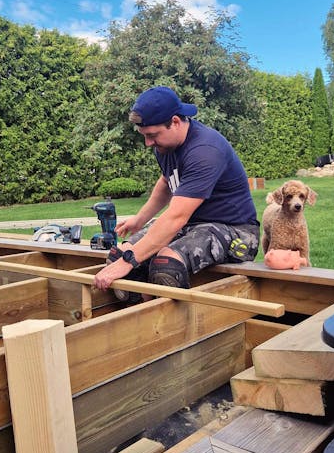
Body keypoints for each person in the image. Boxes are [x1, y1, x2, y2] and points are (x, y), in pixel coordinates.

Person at [93, 85, 259, 300]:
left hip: (234, 230)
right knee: (118, 256)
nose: (148, 143)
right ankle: (139, 319)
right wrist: (140, 219)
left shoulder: (205, 151)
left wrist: (129, 261)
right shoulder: (165, 146)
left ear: (175, 122)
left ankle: (180, 329)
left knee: (166, 266)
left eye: (152, 135)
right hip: (191, 226)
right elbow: (166, 181)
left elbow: (176, 217)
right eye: (144, 135)